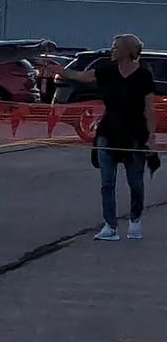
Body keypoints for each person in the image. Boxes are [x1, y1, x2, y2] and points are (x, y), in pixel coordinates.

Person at [40, 35, 156, 240]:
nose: (112, 50)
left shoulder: (143, 76)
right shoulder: (107, 71)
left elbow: (149, 109)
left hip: (134, 134)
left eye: (116, 47)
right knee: (107, 182)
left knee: (135, 182)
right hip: (108, 131)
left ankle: (135, 221)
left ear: (128, 51)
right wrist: (60, 71)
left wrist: (151, 137)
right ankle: (110, 226)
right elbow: (83, 76)